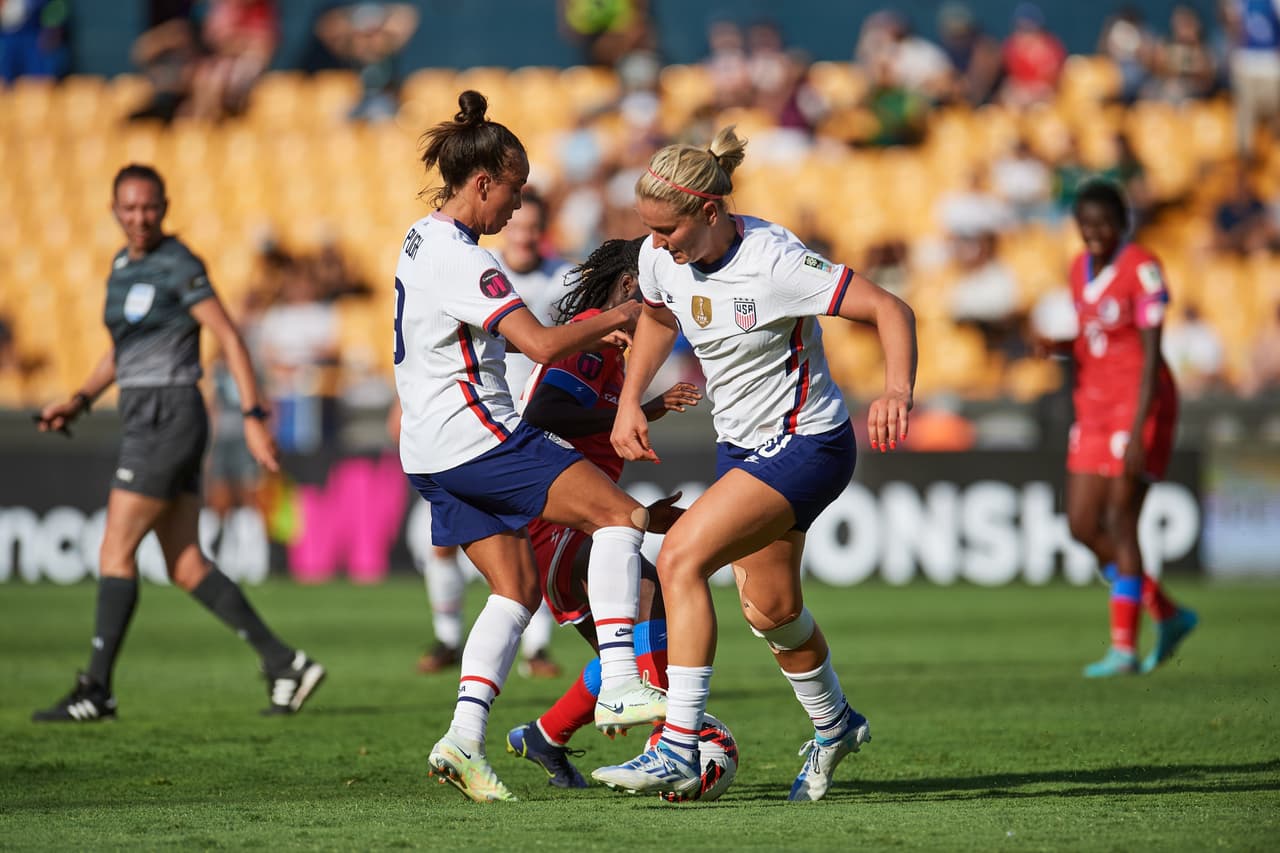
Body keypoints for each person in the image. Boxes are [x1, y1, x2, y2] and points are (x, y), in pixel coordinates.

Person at [592, 126, 918, 802]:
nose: (657, 243)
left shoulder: (775, 262)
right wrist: (630, 400)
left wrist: (894, 390)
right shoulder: (661, 257)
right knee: (770, 607)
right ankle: (836, 726)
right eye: (648, 229)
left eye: (668, 229)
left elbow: (890, 307)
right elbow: (657, 318)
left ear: (710, 210)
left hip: (809, 443)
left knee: (680, 557)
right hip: (742, 446)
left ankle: (677, 746)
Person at [396, 90, 668, 802]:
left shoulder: (418, 237)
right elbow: (542, 343)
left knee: (516, 590)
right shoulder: (466, 260)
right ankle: (620, 681)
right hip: (475, 434)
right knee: (617, 516)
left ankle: (462, 737)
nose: (515, 210)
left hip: (426, 448)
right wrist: (624, 312)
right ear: (481, 182)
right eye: (511, 193)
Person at [31, 164, 325, 723]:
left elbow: (230, 336)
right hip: (147, 414)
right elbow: (122, 350)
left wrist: (255, 415)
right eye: (129, 208)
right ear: (114, 210)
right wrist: (80, 398)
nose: (140, 217)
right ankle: (285, 663)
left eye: (149, 207)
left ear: (164, 207)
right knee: (185, 564)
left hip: (170, 415)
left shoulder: (179, 264)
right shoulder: (121, 266)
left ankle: (96, 688)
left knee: (114, 549)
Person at [504, 236, 701, 788]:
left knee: (629, 647)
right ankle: (670, 744)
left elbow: (595, 417)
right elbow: (548, 412)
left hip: (562, 517)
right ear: (631, 285)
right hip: (557, 515)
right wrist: (635, 410)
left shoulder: (615, 350)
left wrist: (646, 407)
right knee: (647, 597)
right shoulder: (594, 334)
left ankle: (547, 736)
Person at [1037, 179, 1197, 678]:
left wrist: (1139, 422)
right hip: (1094, 407)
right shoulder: (1075, 269)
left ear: (1123, 224)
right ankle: (1168, 614)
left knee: (1120, 519)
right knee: (1083, 525)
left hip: (1138, 404)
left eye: (1104, 224)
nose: (1094, 234)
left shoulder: (1142, 268)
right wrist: (1058, 347)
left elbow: (1151, 355)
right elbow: (1095, 340)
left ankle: (1124, 649)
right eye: (1086, 226)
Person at [414, 187, 572, 679]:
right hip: (482, 423)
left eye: (532, 228)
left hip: (536, 418)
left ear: (542, 233)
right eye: (518, 225)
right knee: (445, 545)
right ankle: (446, 638)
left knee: (534, 542)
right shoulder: (478, 270)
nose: (523, 234)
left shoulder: (563, 280)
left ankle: (538, 649)